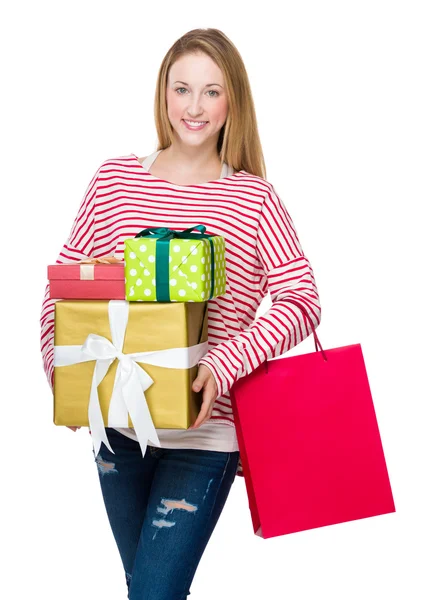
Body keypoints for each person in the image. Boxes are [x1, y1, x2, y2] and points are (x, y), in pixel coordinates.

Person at [40, 27, 322, 600]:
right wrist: (63, 377)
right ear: (162, 94)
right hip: (120, 428)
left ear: (232, 102)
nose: (194, 108)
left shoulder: (253, 198)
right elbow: (62, 290)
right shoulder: (114, 181)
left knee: (153, 594)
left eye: (212, 92)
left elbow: (302, 298)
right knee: (144, 592)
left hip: (204, 433)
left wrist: (223, 360)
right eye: (182, 88)